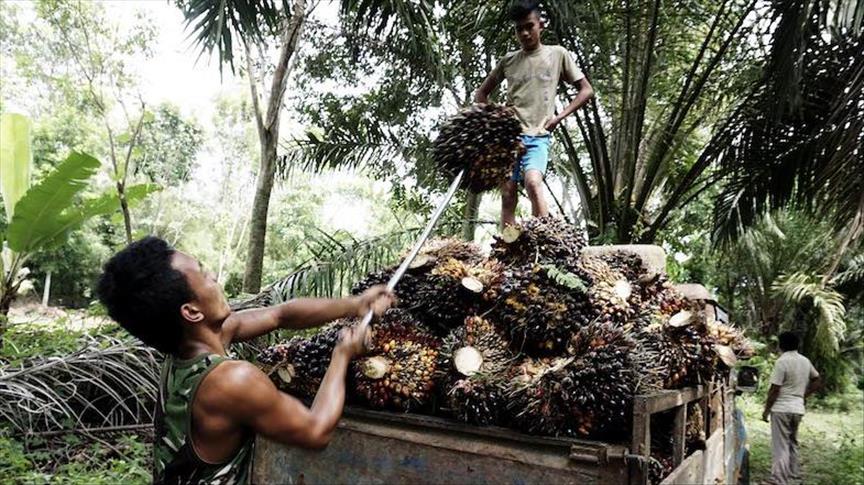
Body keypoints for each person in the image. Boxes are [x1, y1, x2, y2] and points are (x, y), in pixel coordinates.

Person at [97, 236, 395, 484]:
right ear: (191, 312)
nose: (213, 276)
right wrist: (341, 356)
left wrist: (355, 304)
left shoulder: (185, 348)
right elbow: (315, 431)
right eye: (202, 273)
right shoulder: (231, 381)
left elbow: (280, 315)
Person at [474, 0, 594, 227]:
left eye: (529, 26)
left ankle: (545, 241)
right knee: (508, 193)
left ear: (541, 25)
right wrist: (496, 114)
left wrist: (559, 117)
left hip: (538, 135)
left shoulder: (557, 54)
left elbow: (586, 90)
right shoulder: (509, 60)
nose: (525, 33)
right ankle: (507, 248)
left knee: (533, 183)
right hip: (509, 138)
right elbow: (481, 94)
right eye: (519, 29)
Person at [762, 331, 821, 485]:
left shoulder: (782, 362)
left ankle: (779, 480)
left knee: (780, 445)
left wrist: (766, 410)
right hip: (797, 408)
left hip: (781, 408)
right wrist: (803, 395)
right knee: (792, 442)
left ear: (781, 345)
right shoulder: (805, 361)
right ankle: (794, 476)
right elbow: (817, 379)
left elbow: (774, 389)